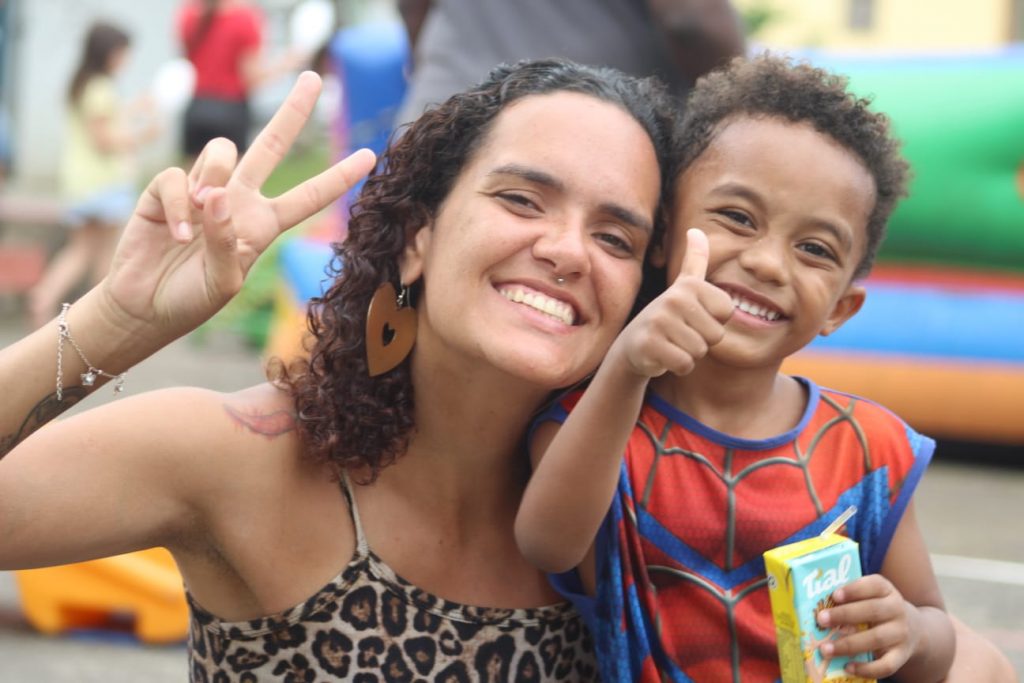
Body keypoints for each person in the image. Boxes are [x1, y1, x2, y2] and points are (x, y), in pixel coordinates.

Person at [1, 60, 678, 680]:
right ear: (416, 238)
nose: (568, 251)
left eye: (615, 238)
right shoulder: (245, 456)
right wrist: (117, 321)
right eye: (522, 200)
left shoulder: (643, 514)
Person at [515, 54, 1017, 682]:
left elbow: (935, 635)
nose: (768, 264)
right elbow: (548, 544)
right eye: (738, 218)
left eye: (814, 249)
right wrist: (626, 368)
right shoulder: (593, 423)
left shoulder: (871, 449)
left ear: (840, 308)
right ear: (664, 235)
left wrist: (910, 633)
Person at [396, 0, 746, 126]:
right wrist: (745, 109)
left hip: (440, 116)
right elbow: (691, 19)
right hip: (590, 139)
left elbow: (412, 7)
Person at [27, 21, 159, 330]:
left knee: (83, 250)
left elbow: (106, 121)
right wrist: (143, 136)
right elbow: (103, 140)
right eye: (123, 52)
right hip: (103, 183)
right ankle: (99, 317)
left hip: (82, 182)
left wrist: (132, 109)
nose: (126, 59)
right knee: (104, 253)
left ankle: (46, 297)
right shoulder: (101, 88)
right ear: (110, 53)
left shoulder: (84, 84)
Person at [177, 0, 305, 160]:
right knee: (234, 175)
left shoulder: (189, 14)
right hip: (231, 111)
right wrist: (285, 64)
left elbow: (187, 58)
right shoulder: (244, 18)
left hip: (196, 109)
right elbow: (253, 78)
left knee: (194, 174)